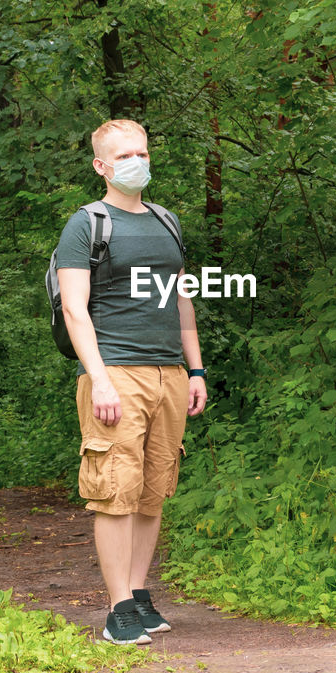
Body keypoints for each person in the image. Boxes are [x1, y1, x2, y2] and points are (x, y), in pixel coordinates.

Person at [55, 119, 207, 645]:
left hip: (168, 372)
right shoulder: (86, 225)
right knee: (114, 490)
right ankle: (116, 608)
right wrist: (97, 379)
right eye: (123, 155)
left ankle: (139, 595)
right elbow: (75, 310)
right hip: (116, 371)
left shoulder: (166, 221)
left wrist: (195, 368)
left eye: (141, 151)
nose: (136, 161)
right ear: (101, 165)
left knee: (151, 492)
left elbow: (180, 297)